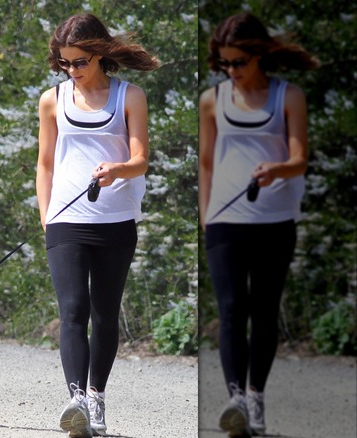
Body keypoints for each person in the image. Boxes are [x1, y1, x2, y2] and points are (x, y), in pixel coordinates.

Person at [36, 13, 159, 437]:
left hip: (115, 218)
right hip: (65, 218)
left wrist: (118, 169)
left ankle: (96, 397)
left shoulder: (130, 96)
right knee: (73, 310)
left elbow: (141, 159)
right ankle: (76, 403)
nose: (73, 71)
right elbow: (45, 163)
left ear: (100, 54)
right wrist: (45, 216)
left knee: (105, 314)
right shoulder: (52, 99)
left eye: (81, 62)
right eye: (66, 63)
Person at [199, 12, 318, 437]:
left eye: (239, 63)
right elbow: (207, 163)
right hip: (225, 221)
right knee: (231, 310)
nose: (231, 71)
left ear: (259, 56)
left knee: (264, 311)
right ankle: (234, 401)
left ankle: (255, 397)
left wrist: (277, 170)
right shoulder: (213, 100)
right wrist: (205, 217)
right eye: (225, 63)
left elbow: (300, 159)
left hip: (275, 219)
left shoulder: (288, 96)